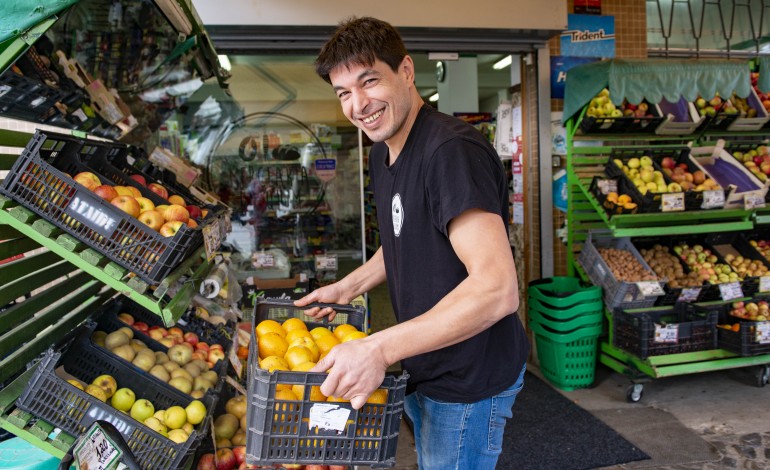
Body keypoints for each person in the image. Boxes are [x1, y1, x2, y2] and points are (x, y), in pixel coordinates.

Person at [294, 16, 529, 469]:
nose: (358, 104)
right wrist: (348, 287)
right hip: (424, 362)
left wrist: (379, 348)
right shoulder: (383, 153)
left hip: (468, 379)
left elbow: (498, 290)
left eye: (369, 82)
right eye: (344, 92)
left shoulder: (449, 152)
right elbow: (407, 239)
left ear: (405, 72)